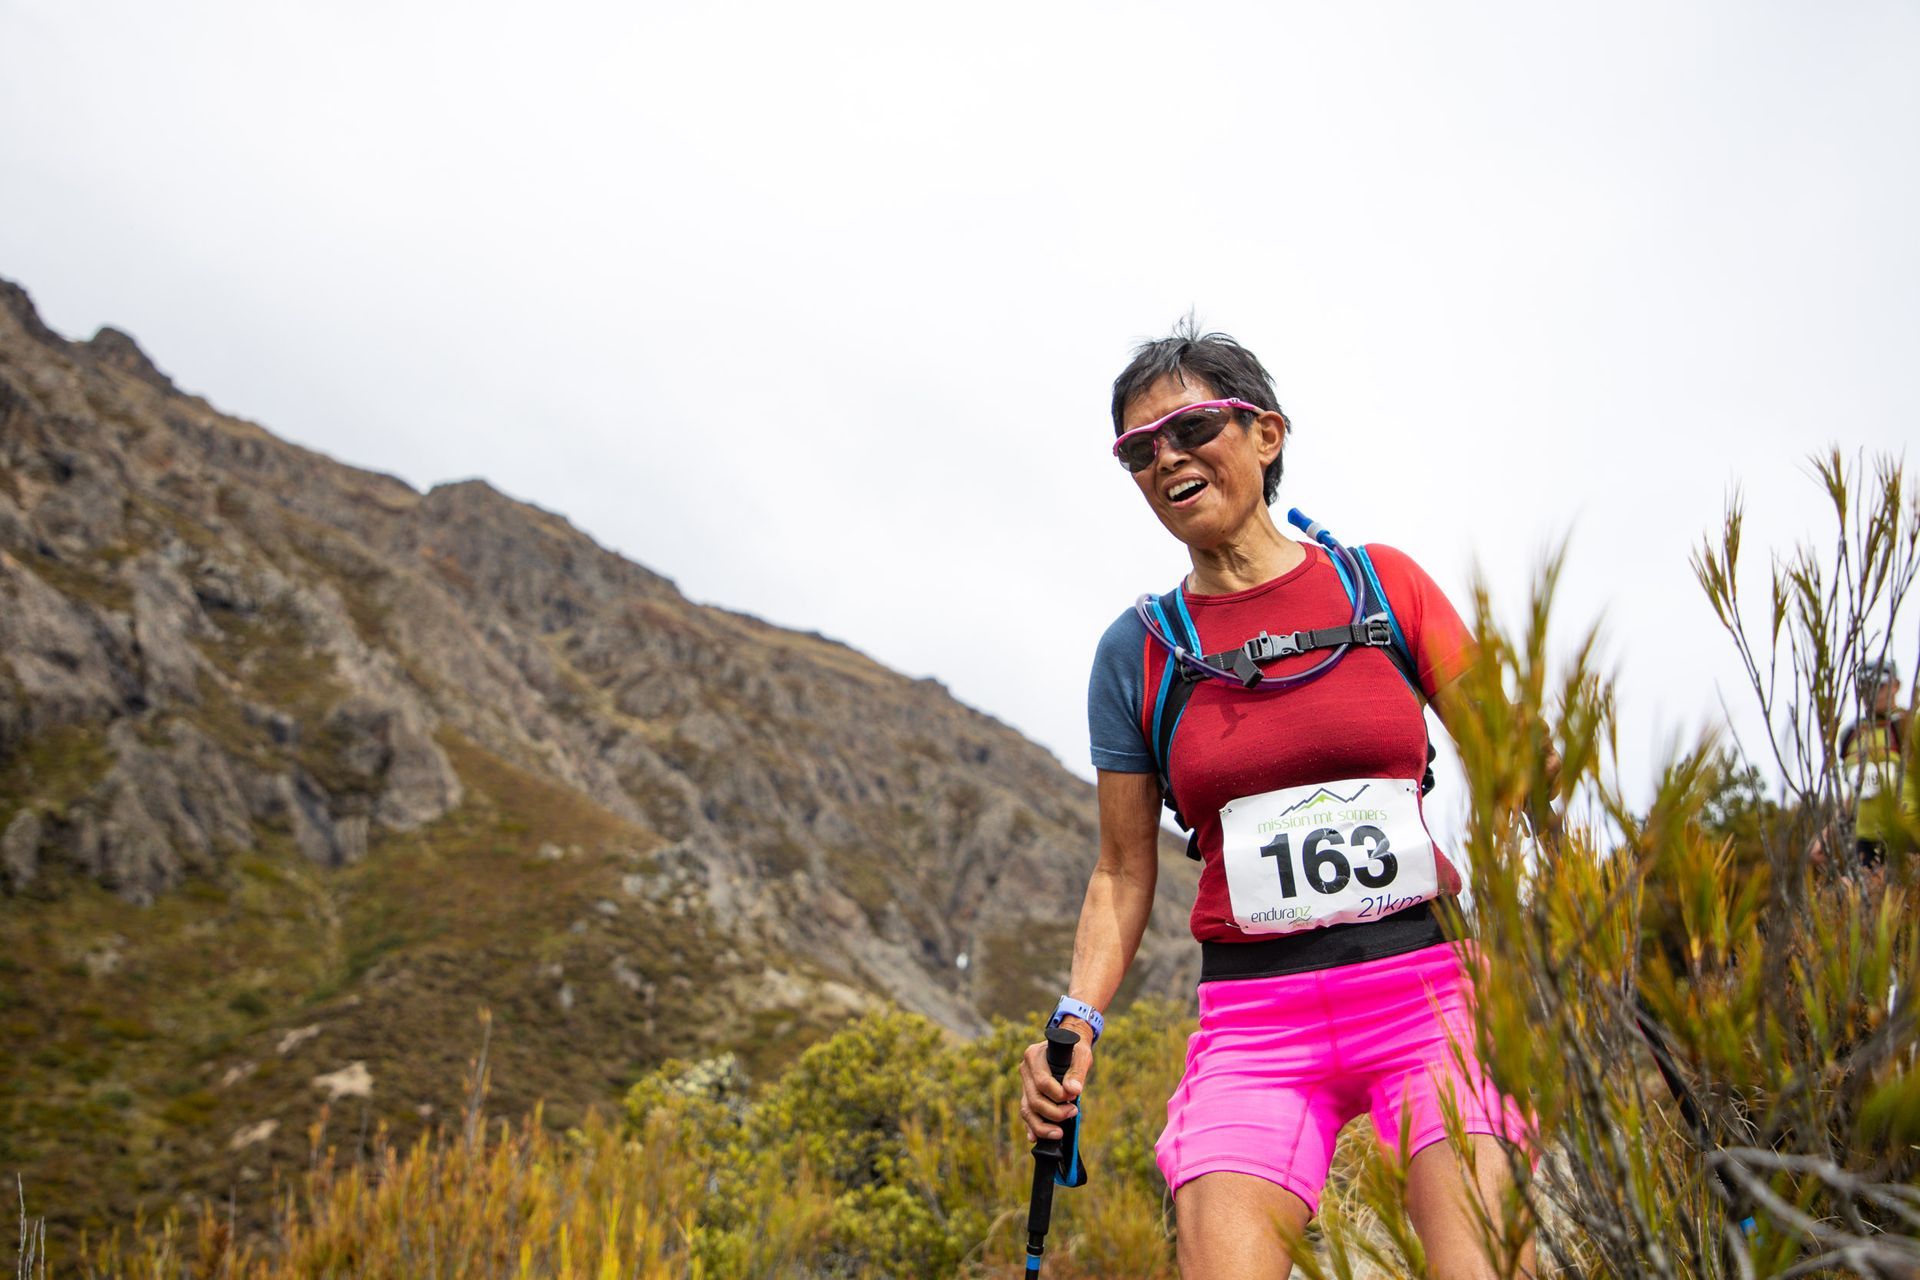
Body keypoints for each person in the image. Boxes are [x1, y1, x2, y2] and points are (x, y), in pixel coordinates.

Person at [1018, 321, 1533, 1280]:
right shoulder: (1135, 653)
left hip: (1430, 993)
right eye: (1137, 450)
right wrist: (1074, 1020)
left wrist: (1512, 934)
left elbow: (1516, 773)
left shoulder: (1385, 585)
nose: (1164, 457)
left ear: (1267, 434)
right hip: (1255, 1023)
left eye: (1190, 428)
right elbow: (1124, 870)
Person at [1840, 658, 1914, 869]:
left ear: (1896, 686)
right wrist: (1825, 836)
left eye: (1879, 686)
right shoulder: (1850, 735)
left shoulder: (1909, 726)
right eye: (1865, 686)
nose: (1871, 693)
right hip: (1865, 845)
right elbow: (1852, 794)